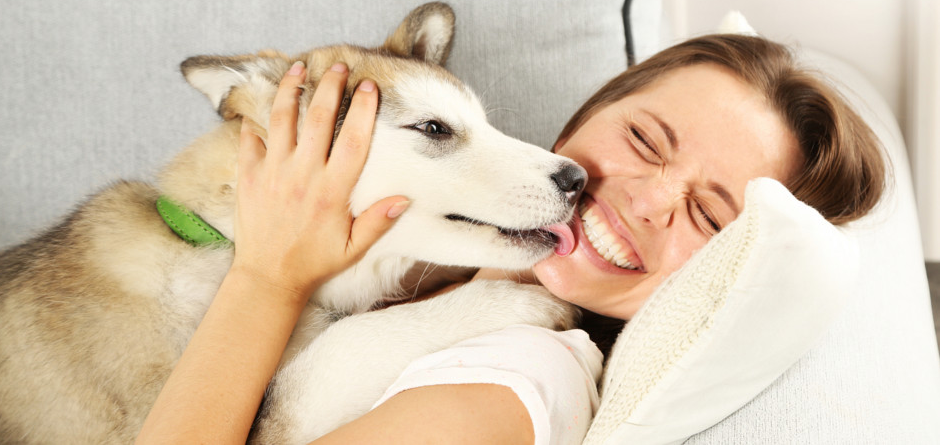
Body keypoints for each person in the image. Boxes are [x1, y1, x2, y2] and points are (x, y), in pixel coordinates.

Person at [135, 35, 885, 444]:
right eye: (645, 141)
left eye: (711, 216)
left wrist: (266, 281)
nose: (649, 200)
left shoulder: (514, 376)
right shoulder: (423, 266)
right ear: (587, 116)